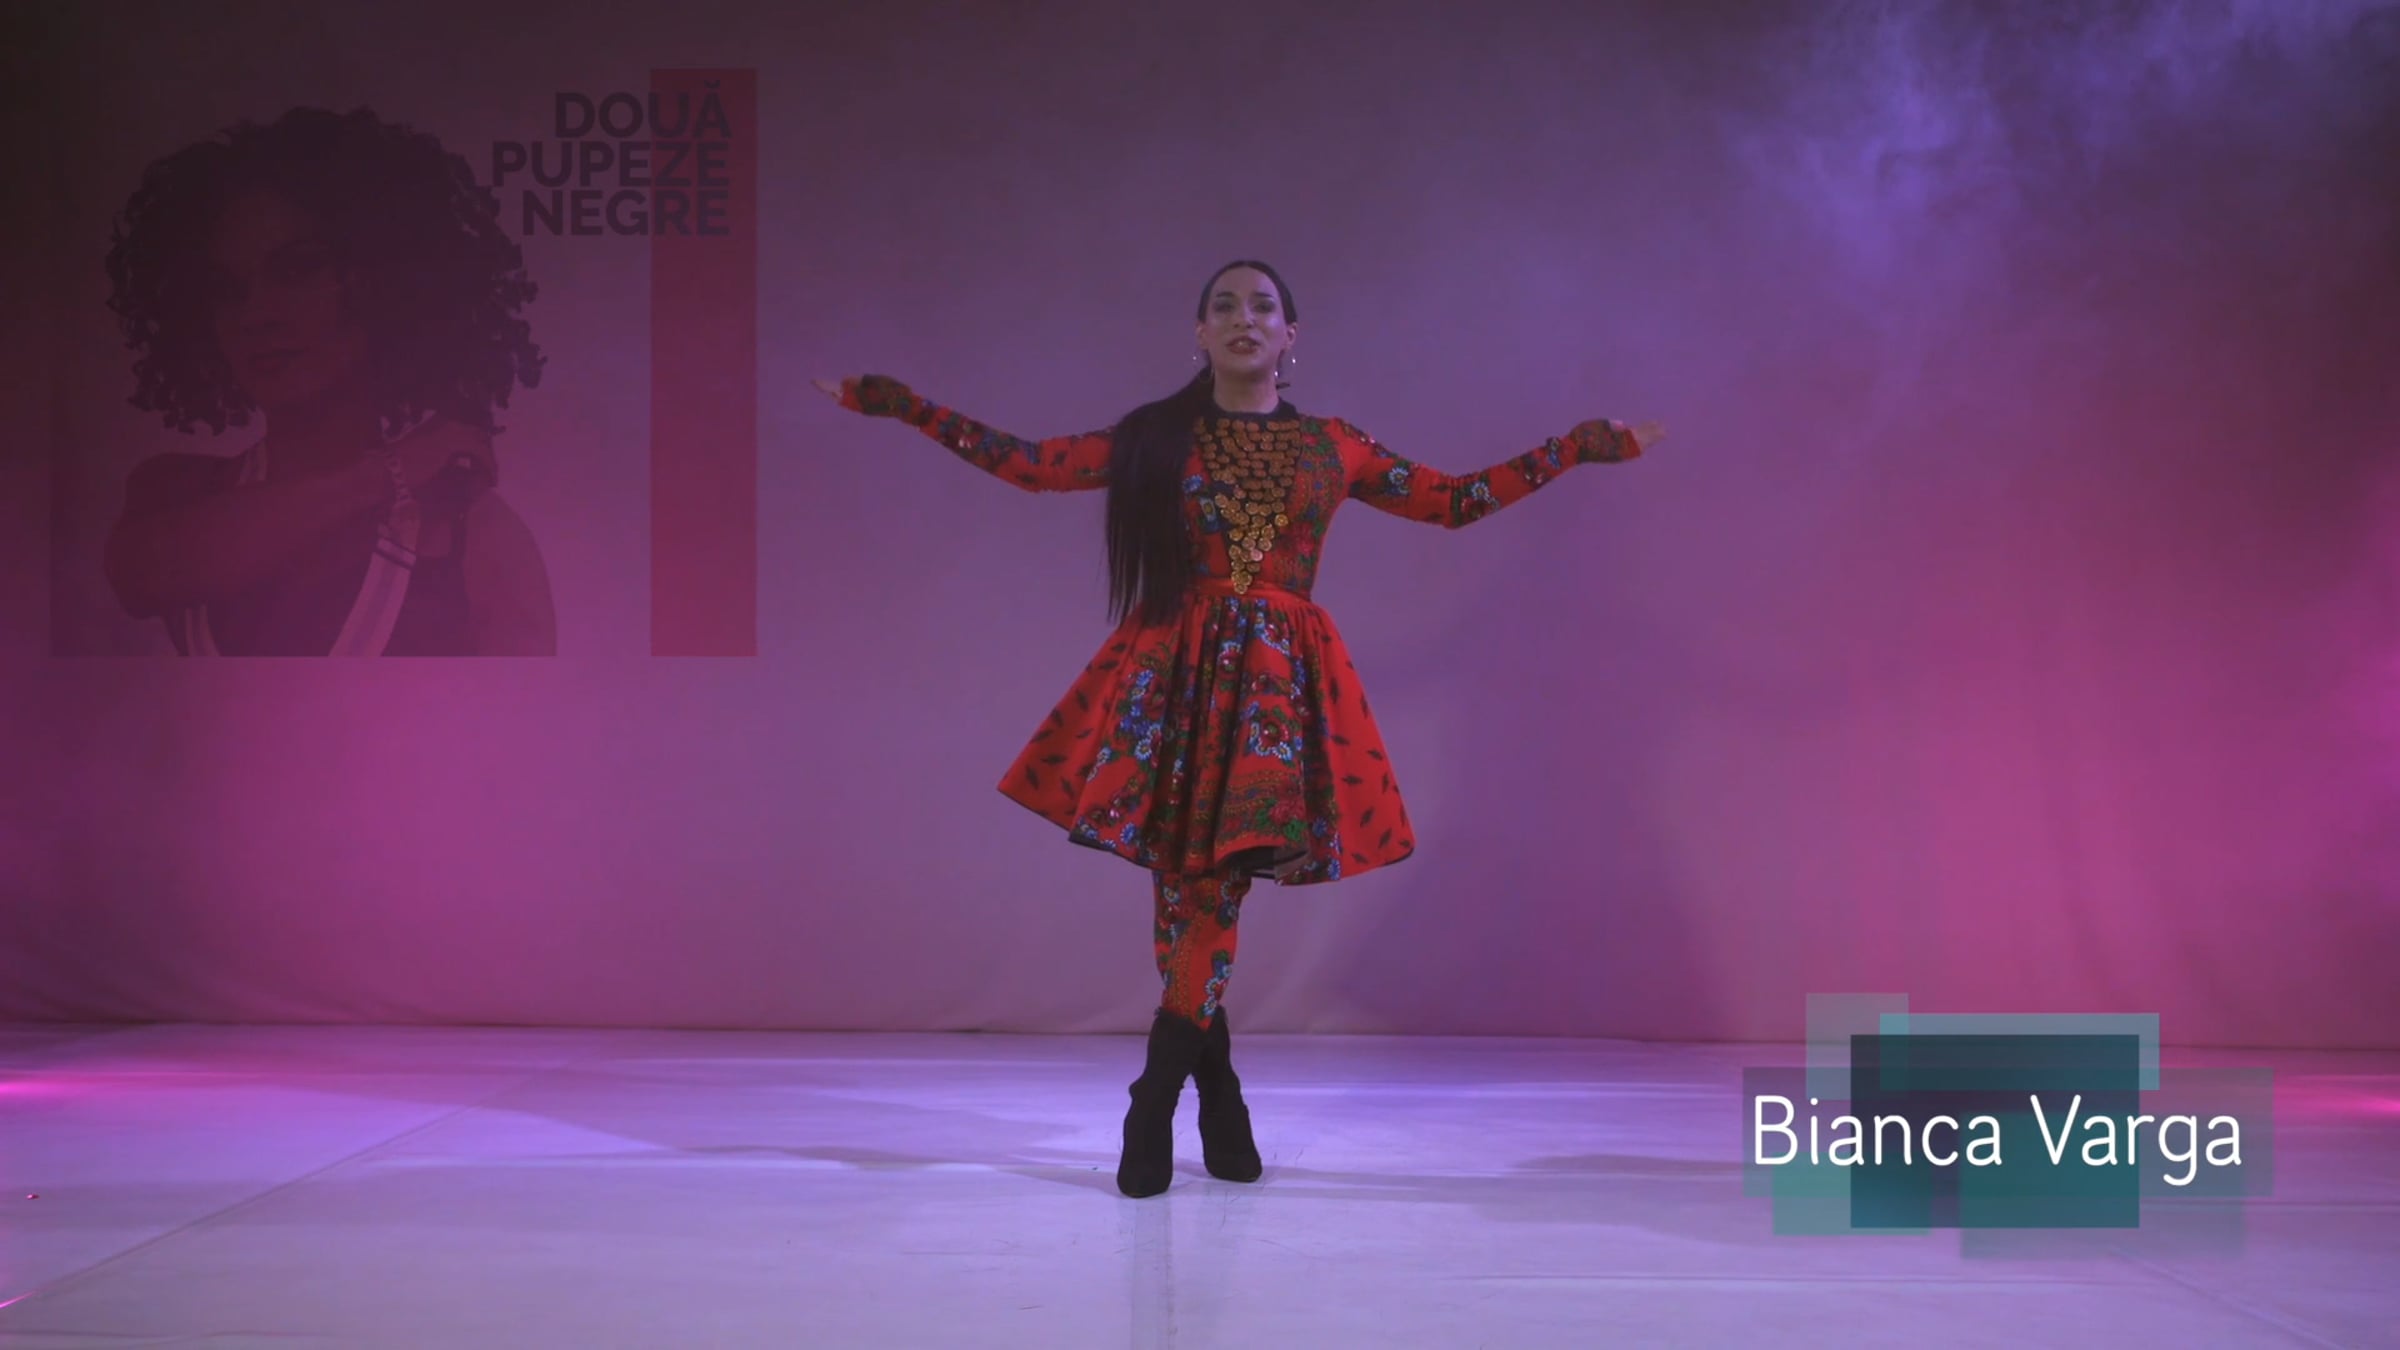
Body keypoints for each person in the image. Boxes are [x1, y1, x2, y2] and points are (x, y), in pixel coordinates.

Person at [818, 260, 1662, 1197]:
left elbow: (1453, 501)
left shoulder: (1333, 446)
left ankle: (1154, 1099)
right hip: (1176, 677)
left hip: (1271, 692)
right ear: (1200, 333)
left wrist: (1575, 447)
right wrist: (903, 405)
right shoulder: (1157, 438)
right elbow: (1033, 465)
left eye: (1263, 306)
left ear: (1291, 335)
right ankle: (1218, 1098)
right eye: (1223, 306)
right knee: (1189, 889)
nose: (1243, 318)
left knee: (1210, 889)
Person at [103, 106, 556, 657]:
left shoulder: (477, 537)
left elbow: (527, 717)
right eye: (227, 289)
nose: (257, 314)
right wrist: (391, 470)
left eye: (297, 270)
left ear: (384, 281)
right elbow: (142, 579)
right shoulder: (177, 490)